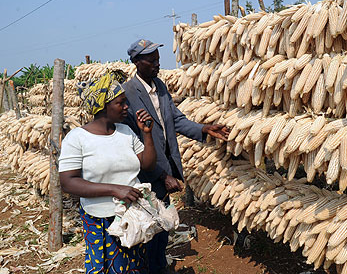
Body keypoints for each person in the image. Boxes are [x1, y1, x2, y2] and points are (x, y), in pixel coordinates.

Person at [122, 39, 230, 274]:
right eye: (151, 60)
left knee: (160, 224)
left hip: (165, 166)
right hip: (146, 173)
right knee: (148, 226)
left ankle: (158, 266)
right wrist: (161, 175)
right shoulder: (128, 93)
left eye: (157, 59)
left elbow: (176, 119)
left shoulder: (159, 87)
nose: (157, 64)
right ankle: (152, 268)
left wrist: (203, 128)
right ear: (137, 62)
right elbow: (131, 144)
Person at [58, 70, 156, 274]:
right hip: (101, 218)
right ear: (103, 106)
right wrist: (114, 190)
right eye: (120, 103)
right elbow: (68, 182)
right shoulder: (77, 138)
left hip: (132, 215)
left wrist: (147, 135)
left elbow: (147, 164)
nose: (126, 107)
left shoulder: (125, 131)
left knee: (135, 266)